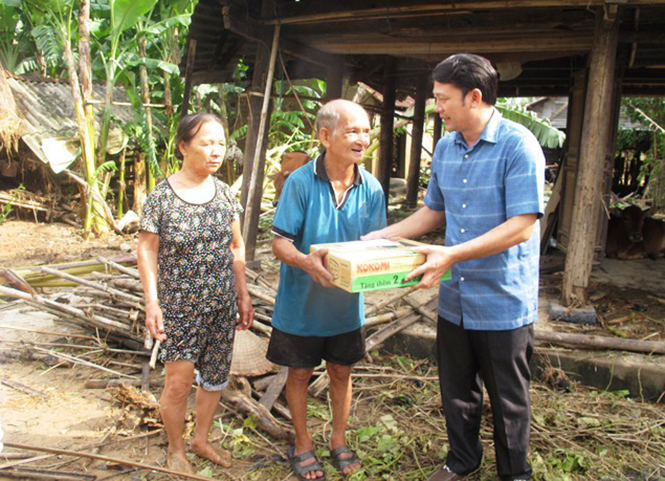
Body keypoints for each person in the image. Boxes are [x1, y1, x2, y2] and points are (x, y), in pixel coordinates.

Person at [363, 54, 544, 481]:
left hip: (502, 297)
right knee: (457, 390)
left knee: (508, 398)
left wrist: (452, 255)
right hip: (456, 294)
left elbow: (521, 226)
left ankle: (514, 473)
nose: (437, 107)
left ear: (474, 96)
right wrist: (380, 237)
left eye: (443, 99)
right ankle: (462, 460)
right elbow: (433, 213)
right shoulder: (446, 147)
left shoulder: (518, 145)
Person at [267, 99, 387, 480]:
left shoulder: (372, 188)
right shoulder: (301, 182)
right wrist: (306, 262)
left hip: (345, 308)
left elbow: (378, 243)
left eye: (366, 131)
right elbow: (279, 242)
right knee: (299, 373)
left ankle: (338, 439)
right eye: (352, 131)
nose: (362, 139)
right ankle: (302, 442)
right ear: (325, 135)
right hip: (300, 305)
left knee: (341, 371)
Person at [137, 112, 254, 474]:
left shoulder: (224, 193)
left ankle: (201, 440)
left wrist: (243, 293)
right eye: (207, 143)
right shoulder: (162, 196)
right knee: (178, 383)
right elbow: (147, 250)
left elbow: (236, 246)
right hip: (179, 307)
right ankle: (176, 450)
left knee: (216, 377)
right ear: (183, 146)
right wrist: (152, 302)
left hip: (220, 305)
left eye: (221, 143)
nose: (216, 151)